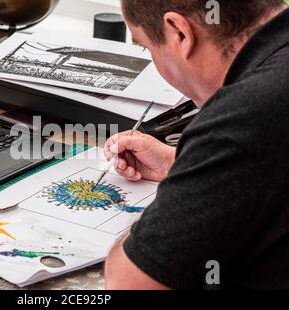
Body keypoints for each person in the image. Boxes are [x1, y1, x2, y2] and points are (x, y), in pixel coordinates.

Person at [104, 0, 289, 289]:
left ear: (180, 32)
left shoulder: (245, 116)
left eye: (146, 47)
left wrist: (196, 177)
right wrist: (186, 163)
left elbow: (130, 281)